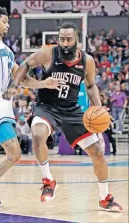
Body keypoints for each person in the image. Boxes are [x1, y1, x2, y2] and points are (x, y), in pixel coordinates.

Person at [0, 1, 62, 214]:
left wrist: (44, 83)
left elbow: (22, 79)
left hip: (0, 102)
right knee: (14, 154)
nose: (7, 25)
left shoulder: (7, 51)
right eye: (4, 21)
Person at [14, 22, 122, 212]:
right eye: (61, 39)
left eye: (68, 39)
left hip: (72, 109)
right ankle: (48, 180)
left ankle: (104, 198)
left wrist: (99, 107)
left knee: (97, 152)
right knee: (38, 135)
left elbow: (90, 86)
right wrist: (27, 84)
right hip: (47, 107)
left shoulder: (87, 61)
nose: (64, 43)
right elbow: (25, 65)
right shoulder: (48, 53)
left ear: (76, 41)